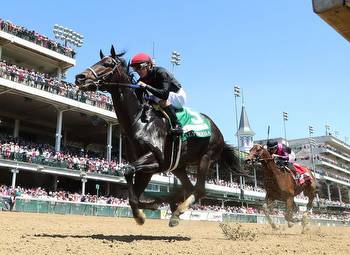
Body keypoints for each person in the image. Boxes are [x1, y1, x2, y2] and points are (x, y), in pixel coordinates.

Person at [130, 52, 186, 135]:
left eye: (139, 67)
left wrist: (146, 86)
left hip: (178, 96)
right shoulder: (142, 78)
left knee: (157, 98)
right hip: (162, 95)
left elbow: (164, 95)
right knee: (148, 98)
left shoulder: (161, 72)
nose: (138, 71)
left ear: (149, 65)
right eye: (135, 68)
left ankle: (177, 124)